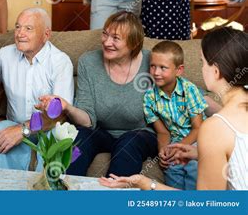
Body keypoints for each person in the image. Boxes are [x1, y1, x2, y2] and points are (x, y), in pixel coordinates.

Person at [100, 27, 248, 190]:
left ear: (216, 71)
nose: (201, 69)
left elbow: (207, 207)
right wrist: (197, 154)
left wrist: (146, 183)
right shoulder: (230, 122)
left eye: (202, 63)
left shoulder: (214, 128)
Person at [39, 11, 158, 177]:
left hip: (140, 133)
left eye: (115, 38)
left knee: (127, 145)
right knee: (79, 138)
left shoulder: (151, 61)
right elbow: (87, 121)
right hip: (102, 132)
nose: (107, 42)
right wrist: (67, 107)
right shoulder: (88, 62)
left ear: (133, 42)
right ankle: (60, 192)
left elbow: (177, 87)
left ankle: (112, 200)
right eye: (105, 34)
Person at [0, 8, 74, 170]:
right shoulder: (4, 55)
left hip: (48, 127)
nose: (20, 34)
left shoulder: (60, 62)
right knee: (0, 129)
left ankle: (44, 192)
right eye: (18, 27)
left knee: (59, 135)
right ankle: (4, 189)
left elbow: (60, 115)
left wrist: (23, 130)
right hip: (15, 123)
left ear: (46, 35)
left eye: (28, 28)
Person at [144, 41, 206, 190]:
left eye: (163, 68)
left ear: (179, 70)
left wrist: (181, 148)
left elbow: (198, 128)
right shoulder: (149, 97)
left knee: (193, 165)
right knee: (171, 165)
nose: (156, 72)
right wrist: (164, 150)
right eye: (153, 66)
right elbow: (162, 131)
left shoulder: (189, 90)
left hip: (197, 138)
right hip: (175, 140)